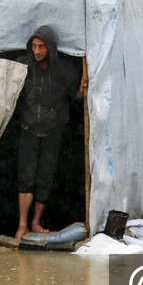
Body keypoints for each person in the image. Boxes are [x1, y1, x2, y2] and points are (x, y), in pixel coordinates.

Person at [15, 26, 86, 241]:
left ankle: (36, 222)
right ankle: (22, 224)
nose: (37, 51)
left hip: (53, 130)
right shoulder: (24, 67)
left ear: (50, 47)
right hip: (28, 128)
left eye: (42, 46)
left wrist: (83, 90)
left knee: (46, 175)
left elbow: (76, 96)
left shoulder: (64, 70)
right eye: (34, 46)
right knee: (26, 176)